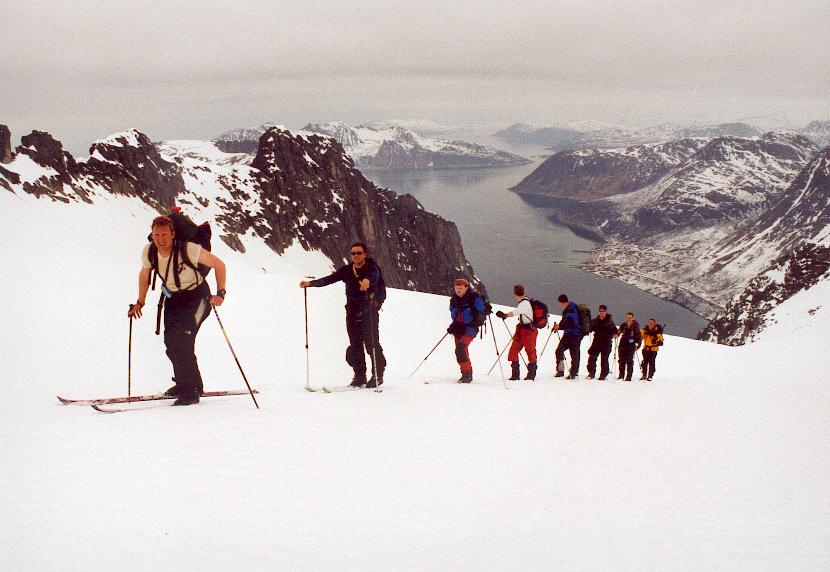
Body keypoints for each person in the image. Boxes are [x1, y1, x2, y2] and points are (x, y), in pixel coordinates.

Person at [128, 215, 227, 406]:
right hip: (173, 298)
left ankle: (191, 390)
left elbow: (219, 265)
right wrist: (140, 302)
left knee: (183, 341)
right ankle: (184, 384)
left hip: (197, 296)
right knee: (171, 342)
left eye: (164, 234)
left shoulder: (188, 248)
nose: (160, 239)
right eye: (156, 235)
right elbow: (144, 275)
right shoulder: (149, 251)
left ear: (173, 234)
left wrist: (220, 293)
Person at [299, 242, 386, 388]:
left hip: (369, 311)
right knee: (355, 344)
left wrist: (367, 280)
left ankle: (378, 375)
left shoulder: (371, 268)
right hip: (352, 312)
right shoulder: (347, 270)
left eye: (359, 253)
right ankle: (360, 376)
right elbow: (330, 279)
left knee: (371, 343)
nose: (356, 256)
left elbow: (374, 276)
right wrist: (311, 283)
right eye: (353, 253)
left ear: (365, 254)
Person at [495, 284, 538, 380]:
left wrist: (506, 315)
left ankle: (526, 374)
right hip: (523, 330)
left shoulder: (524, 303)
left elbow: (517, 311)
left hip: (528, 331)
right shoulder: (525, 302)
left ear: (515, 293)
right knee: (521, 351)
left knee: (528, 351)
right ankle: (524, 374)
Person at [448, 278, 486, 383]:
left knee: (460, 349)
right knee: (461, 351)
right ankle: (466, 373)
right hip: (458, 328)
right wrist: (452, 326)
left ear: (466, 288)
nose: (458, 290)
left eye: (460, 288)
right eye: (456, 288)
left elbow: (482, 309)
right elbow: (455, 315)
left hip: (470, 328)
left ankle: (467, 374)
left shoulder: (474, 298)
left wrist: (486, 308)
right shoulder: (454, 300)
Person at [553, 294, 583, 379]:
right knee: (561, 351)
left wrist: (559, 327)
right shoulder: (569, 309)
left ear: (562, 302)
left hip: (575, 335)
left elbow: (570, 324)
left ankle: (572, 373)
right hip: (569, 334)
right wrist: (559, 327)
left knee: (573, 354)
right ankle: (564, 371)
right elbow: (565, 322)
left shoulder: (571, 310)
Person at [586, 304, 616, 380]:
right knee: (592, 358)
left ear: (606, 312)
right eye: (600, 311)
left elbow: (615, 330)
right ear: (599, 312)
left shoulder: (610, 321)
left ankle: (603, 375)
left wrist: (615, 334)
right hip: (596, 342)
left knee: (604, 359)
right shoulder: (595, 321)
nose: (602, 312)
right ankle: (591, 373)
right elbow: (589, 328)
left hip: (606, 343)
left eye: (603, 311)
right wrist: (587, 330)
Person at [617, 312, 641, 381]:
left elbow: (639, 336)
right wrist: (616, 335)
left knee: (629, 360)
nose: (628, 319)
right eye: (627, 317)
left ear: (632, 318)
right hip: (622, 344)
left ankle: (628, 376)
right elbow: (619, 332)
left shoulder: (635, 326)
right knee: (621, 360)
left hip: (631, 344)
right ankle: (621, 375)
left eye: (630, 317)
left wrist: (637, 344)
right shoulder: (623, 325)